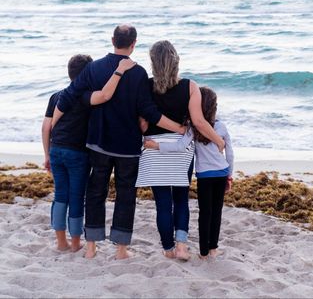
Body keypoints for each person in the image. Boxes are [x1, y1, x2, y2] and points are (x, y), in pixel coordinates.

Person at [52, 25, 185, 260]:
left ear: (112, 39)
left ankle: (91, 247)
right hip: (127, 146)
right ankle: (121, 250)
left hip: (98, 143)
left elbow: (69, 95)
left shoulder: (94, 68)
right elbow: (149, 111)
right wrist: (180, 129)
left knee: (95, 193)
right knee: (125, 196)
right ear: (134, 43)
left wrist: (53, 124)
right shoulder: (139, 73)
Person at [136, 41, 225, 260]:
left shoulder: (146, 86)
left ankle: (168, 249)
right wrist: (219, 142)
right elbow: (199, 122)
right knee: (181, 198)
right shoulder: (190, 86)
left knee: (163, 203)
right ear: (176, 61)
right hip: (180, 149)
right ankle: (182, 246)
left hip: (154, 150)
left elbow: (143, 126)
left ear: (153, 63)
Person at [42, 54, 136, 252]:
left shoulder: (57, 95)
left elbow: (46, 127)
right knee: (76, 197)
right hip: (77, 154)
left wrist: (47, 155)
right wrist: (120, 71)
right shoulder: (85, 97)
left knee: (60, 196)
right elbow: (104, 95)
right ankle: (76, 243)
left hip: (57, 150)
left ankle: (61, 242)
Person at [145, 86, 234, 259]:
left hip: (204, 176)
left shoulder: (193, 128)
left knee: (205, 213)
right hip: (222, 173)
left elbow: (179, 146)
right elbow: (229, 153)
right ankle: (213, 249)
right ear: (214, 107)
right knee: (217, 212)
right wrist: (229, 175)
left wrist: (156, 145)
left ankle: (202, 252)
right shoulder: (221, 126)